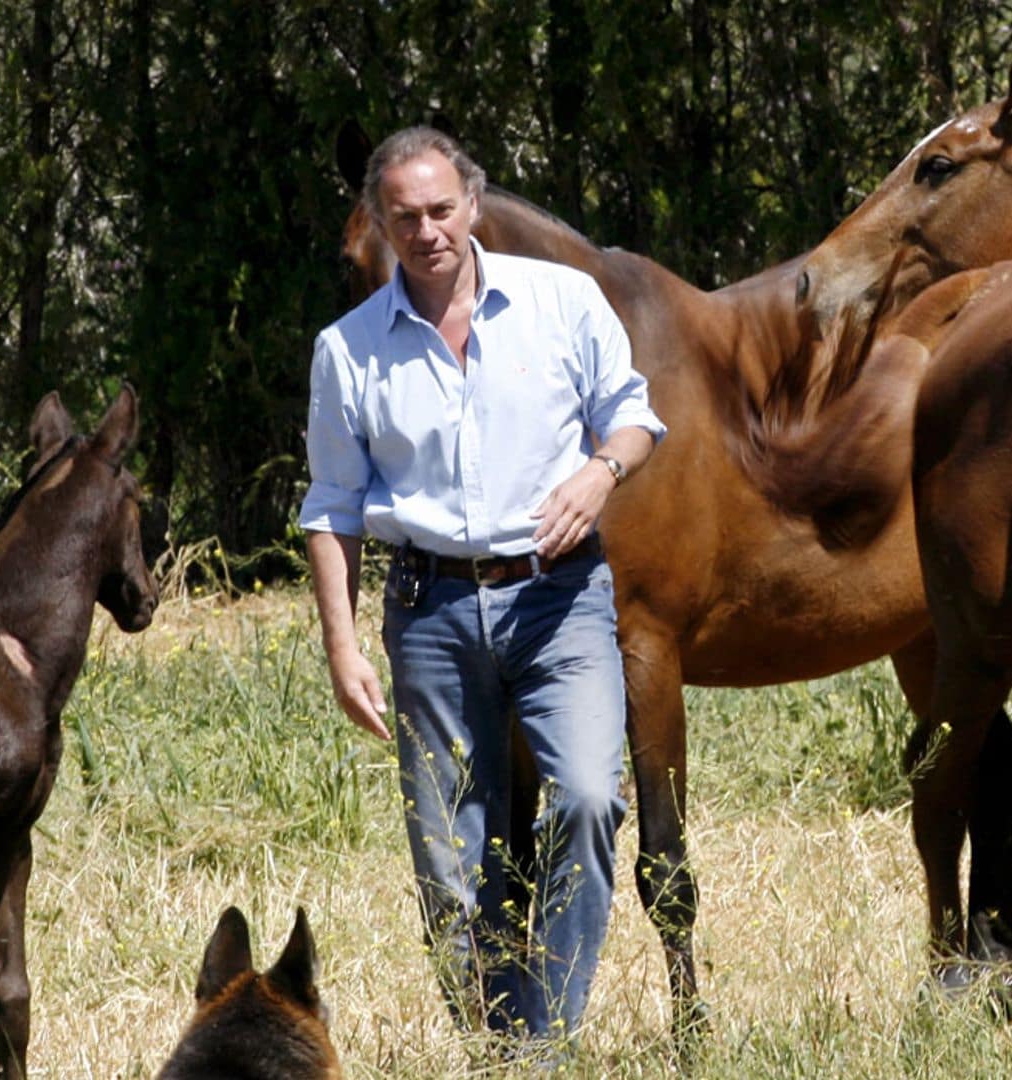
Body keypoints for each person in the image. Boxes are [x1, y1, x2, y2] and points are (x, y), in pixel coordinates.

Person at [300, 126, 664, 1047]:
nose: (425, 231)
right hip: (430, 614)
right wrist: (343, 647)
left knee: (586, 797)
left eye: (440, 209)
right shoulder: (347, 351)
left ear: (472, 203)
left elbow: (632, 416)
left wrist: (600, 475)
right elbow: (333, 506)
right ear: (381, 223)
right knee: (453, 859)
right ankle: (499, 1043)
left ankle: (538, 1046)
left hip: (560, 598)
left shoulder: (562, 301)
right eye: (404, 216)